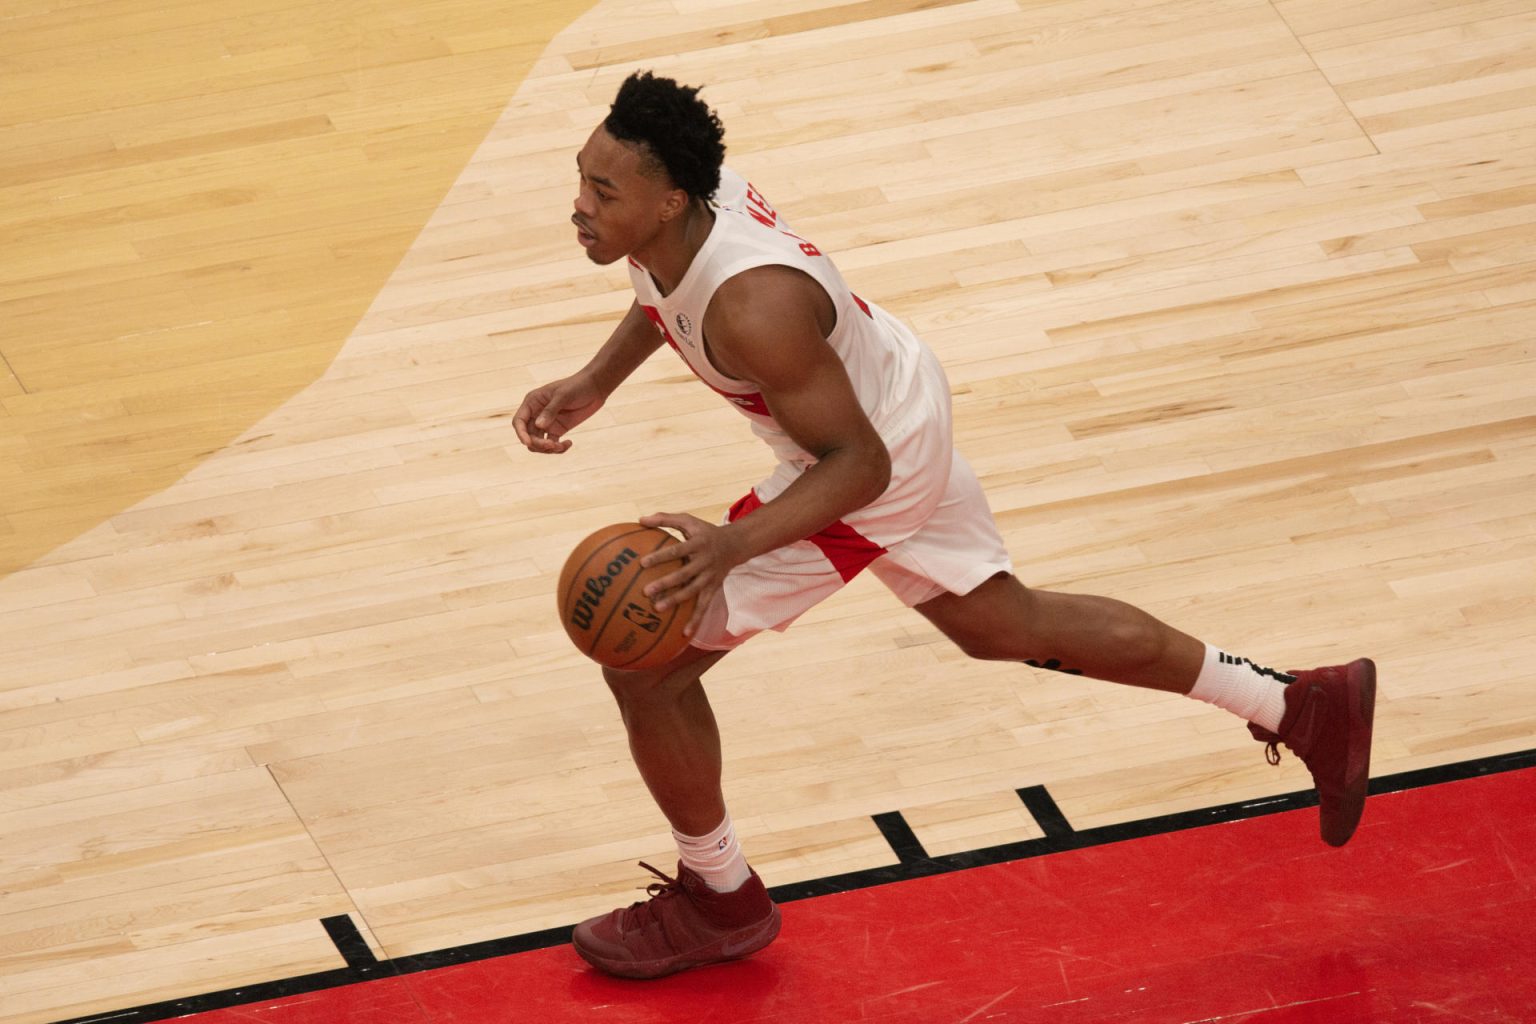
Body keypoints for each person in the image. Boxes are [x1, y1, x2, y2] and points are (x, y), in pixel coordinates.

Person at [513, 71, 1376, 980]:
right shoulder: (679, 216)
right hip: (889, 390)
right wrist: (597, 380)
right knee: (1003, 625)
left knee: (646, 666)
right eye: (582, 178)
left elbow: (860, 468)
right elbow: (664, 290)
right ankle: (1297, 705)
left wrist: (728, 547)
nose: (581, 205)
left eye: (603, 192)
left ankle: (720, 897)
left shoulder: (754, 305)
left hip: (865, 460)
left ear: (671, 199)